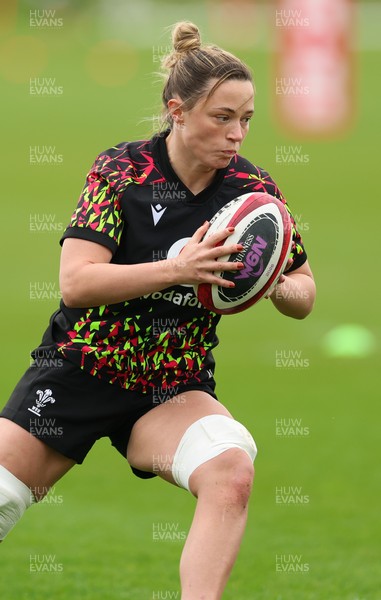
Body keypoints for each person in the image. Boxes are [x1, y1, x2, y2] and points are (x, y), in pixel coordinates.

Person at [0, 21, 315, 599]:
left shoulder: (252, 193)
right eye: (222, 117)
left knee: (230, 467)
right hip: (81, 367)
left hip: (172, 386)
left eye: (246, 119)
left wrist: (269, 279)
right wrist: (179, 269)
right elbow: (77, 283)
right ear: (177, 109)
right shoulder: (124, 171)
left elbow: (304, 291)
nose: (236, 134)